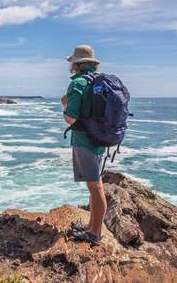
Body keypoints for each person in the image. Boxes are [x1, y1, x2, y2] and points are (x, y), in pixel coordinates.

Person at [61, 44, 107, 246]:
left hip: (84, 140)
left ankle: (95, 234)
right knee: (95, 185)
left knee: (95, 187)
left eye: (73, 63)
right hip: (100, 139)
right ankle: (92, 228)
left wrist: (65, 108)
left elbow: (70, 118)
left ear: (78, 64)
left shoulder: (78, 83)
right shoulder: (98, 81)